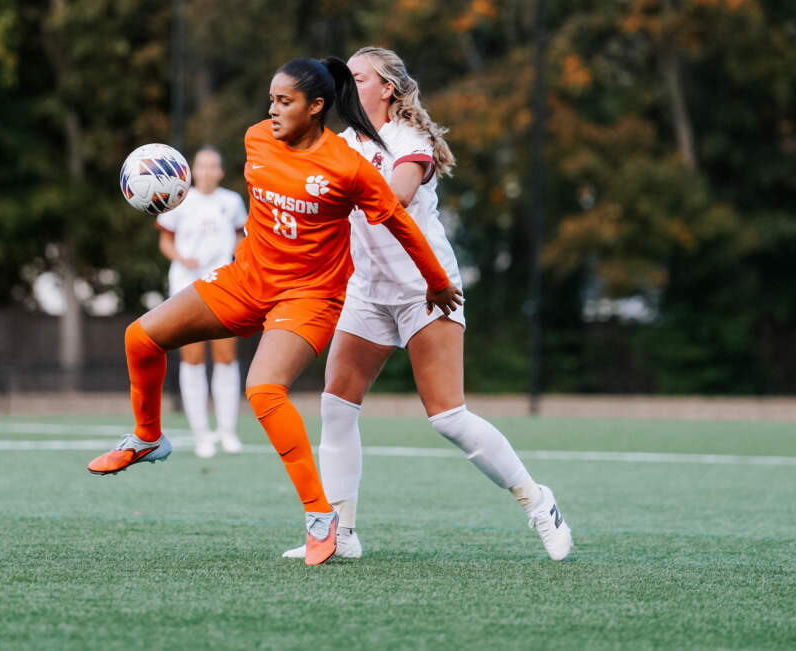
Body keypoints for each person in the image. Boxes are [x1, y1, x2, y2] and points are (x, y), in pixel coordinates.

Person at [88, 55, 462, 566]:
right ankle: (149, 437)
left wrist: (437, 282)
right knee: (140, 336)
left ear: (316, 106)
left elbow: (397, 221)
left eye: (284, 102)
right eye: (270, 100)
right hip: (246, 281)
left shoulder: (346, 166)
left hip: (308, 298)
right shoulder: (255, 138)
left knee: (262, 390)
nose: (273, 110)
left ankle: (320, 516)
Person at [280, 46, 573, 562]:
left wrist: (330, 192)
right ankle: (341, 533)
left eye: (357, 77)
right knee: (335, 407)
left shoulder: (407, 139)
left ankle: (538, 501)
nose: (348, 84)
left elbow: (392, 199)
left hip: (425, 287)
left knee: (448, 417)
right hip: (367, 290)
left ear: (386, 88)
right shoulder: (341, 143)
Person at [156, 146, 247, 458]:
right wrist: (182, 258)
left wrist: (237, 258)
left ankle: (227, 431)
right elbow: (165, 240)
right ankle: (201, 435)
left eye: (214, 166)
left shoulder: (232, 202)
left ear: (221, 171)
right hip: (186, 288)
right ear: (193, 170)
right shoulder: (178, 200)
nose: (208, 171)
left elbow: (240, 237)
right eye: (202, 166)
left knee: (226, 356)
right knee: (192, 358)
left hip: (225, 286)